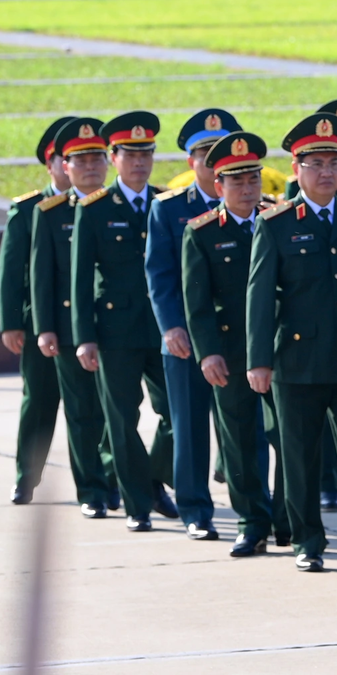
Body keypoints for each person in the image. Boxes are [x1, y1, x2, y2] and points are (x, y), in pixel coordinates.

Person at [247, 112, 337, 572]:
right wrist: (258, 360)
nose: (326, 172)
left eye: (334, 162)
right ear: (297, 168)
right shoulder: (276, 222)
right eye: (316, 163)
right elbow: (260, 296)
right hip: (297, 362)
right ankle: (308, 540)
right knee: (299, 460)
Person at [71, 110, 179, 533]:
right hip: (114, 331)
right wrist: (84, 337)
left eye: (146, 153)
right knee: (121, 417)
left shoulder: (165, 203)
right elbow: (80, 280)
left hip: (162, 327)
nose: (140, 162)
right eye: (130, 154)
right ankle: (136, 503)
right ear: (113, 157)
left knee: (175, 412)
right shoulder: (95, 209)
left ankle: (153, 480)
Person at [181, 131, 278, 557]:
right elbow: (196, 302)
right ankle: (252, 521)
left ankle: (289, 518)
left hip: (282, 347)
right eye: (236, 181)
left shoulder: (279, 220)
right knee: (238, 439)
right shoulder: (201, 233)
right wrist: (208, 353)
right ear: (218, 186)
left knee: (288, 437)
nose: (246, 189)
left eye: (252, 179)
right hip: (231, 350)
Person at [147, 107, 241, 537]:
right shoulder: (168, 209)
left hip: (239, 338)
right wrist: (170, 327)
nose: (211, 161)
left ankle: (252, 505)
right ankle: (195, 510)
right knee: (188, 426)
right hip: (185, 336)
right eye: (204, 153)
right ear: (191, 161)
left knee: (245, 428)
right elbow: (160, 275)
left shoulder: (253, 205)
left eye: (219, 153)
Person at [30, 118, 116, 517]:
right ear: (64, 166)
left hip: (121, 327)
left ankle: (121, 478)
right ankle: (93, 491)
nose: (91, 167)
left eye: (98, 158)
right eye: (80, 161)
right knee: (82, 412)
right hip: (68, 329)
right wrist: (44, 327)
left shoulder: (122, 205)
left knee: (121, 411)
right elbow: (42, 276)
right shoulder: (50, 213)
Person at [1, 117, 76, 505]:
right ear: (51, 165)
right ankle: (26, 478)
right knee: (40, 402)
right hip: (39, 324)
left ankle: (104, 481)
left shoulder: (94, 206)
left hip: (86, 324)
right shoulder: (29, 209)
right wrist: (12, 321)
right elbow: (11, 270)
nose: (71, 166)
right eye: (65, 159)